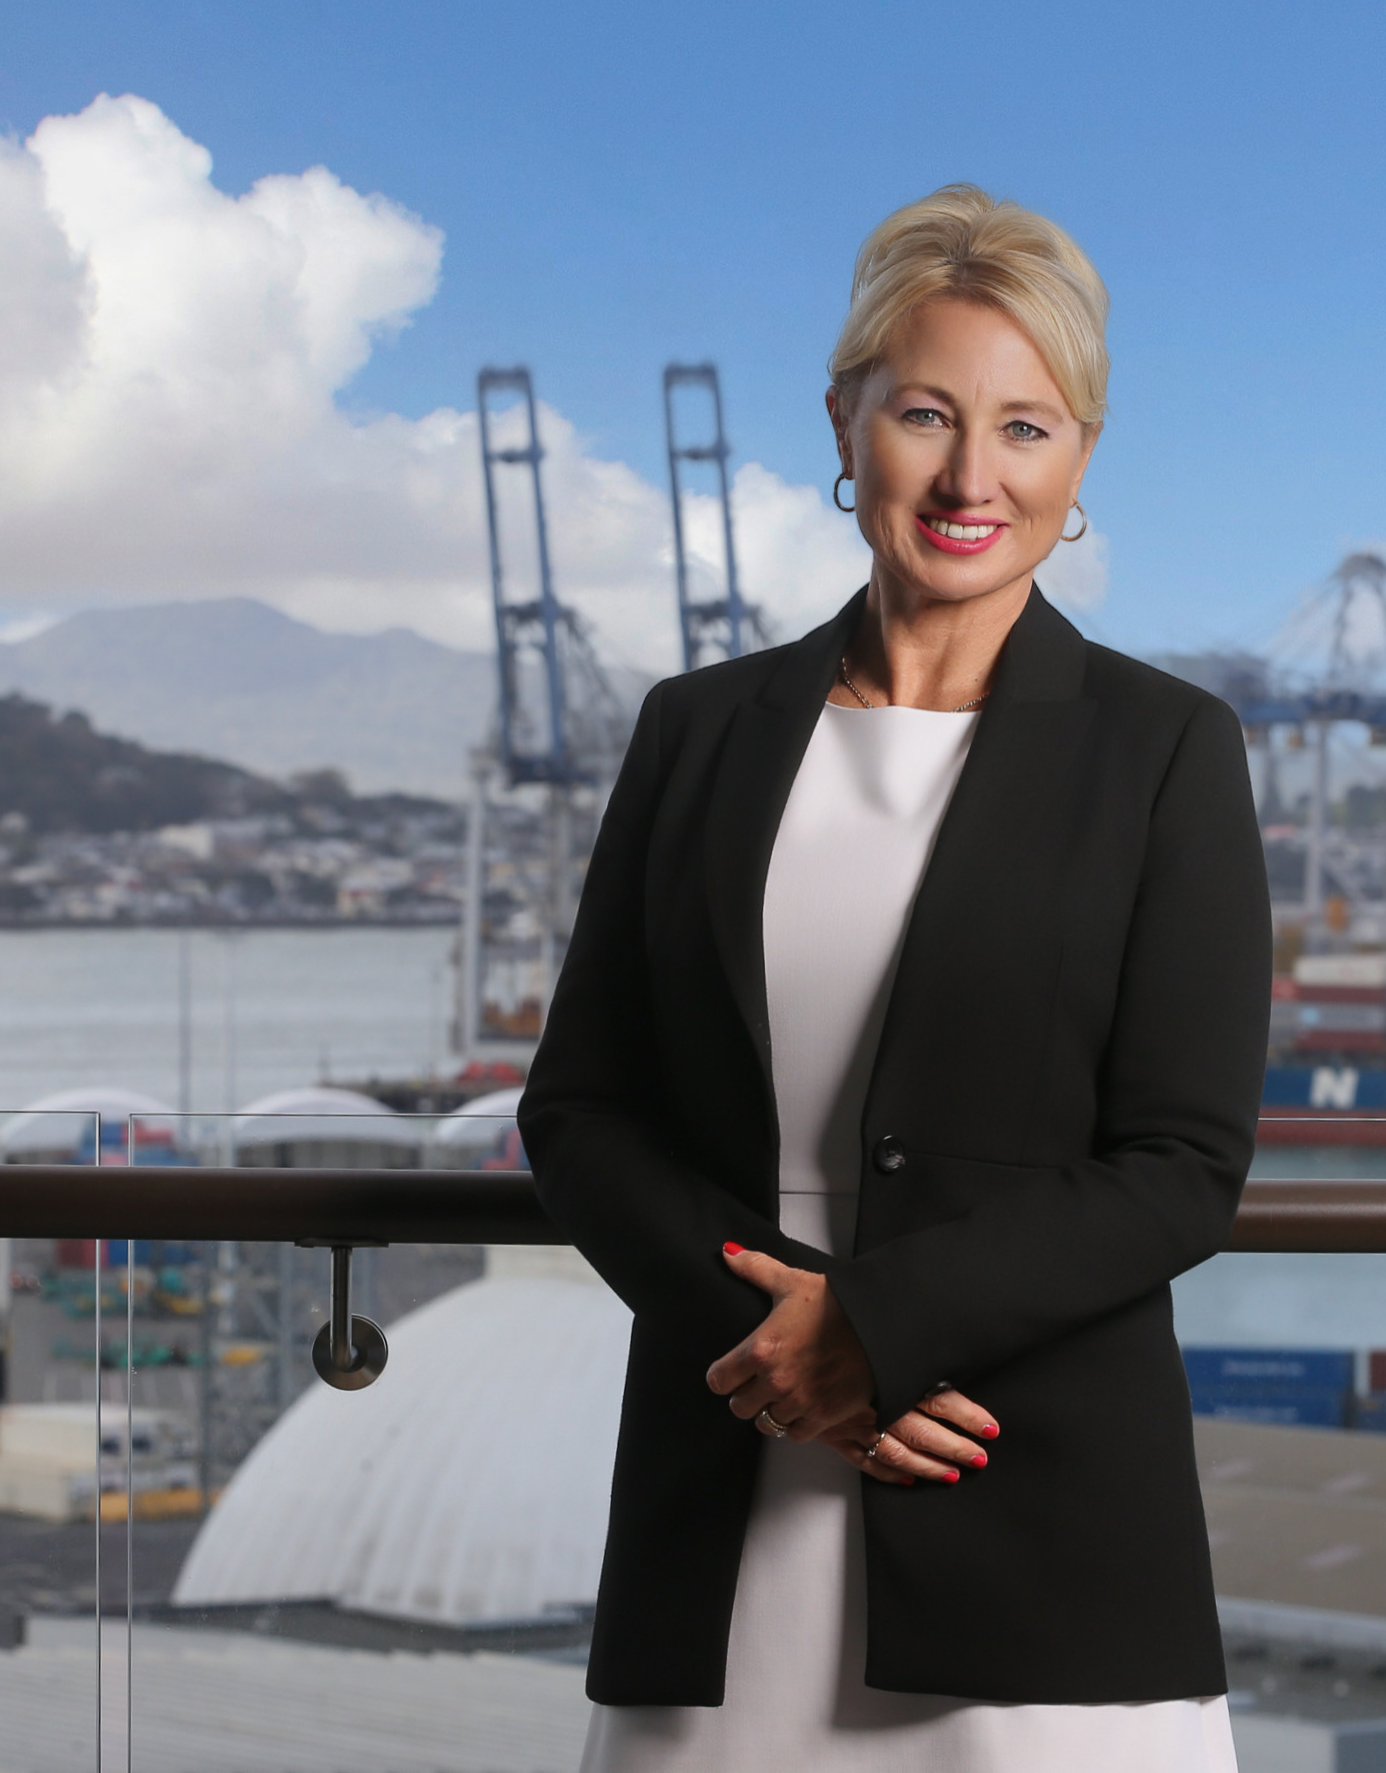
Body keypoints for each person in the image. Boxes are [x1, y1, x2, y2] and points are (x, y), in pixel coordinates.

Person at [522, 182, 1271, 1771]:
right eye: (926, 414)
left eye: (1027, 427)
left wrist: (878, 1330)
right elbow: (581, 1107)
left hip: (1026, 1488)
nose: (969, 476)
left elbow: (1183, 1167)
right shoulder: (695, 731)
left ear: (1079, 463)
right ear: (844, 421)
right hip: (727, 1487)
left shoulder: (1166, 752)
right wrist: (792, 1361)